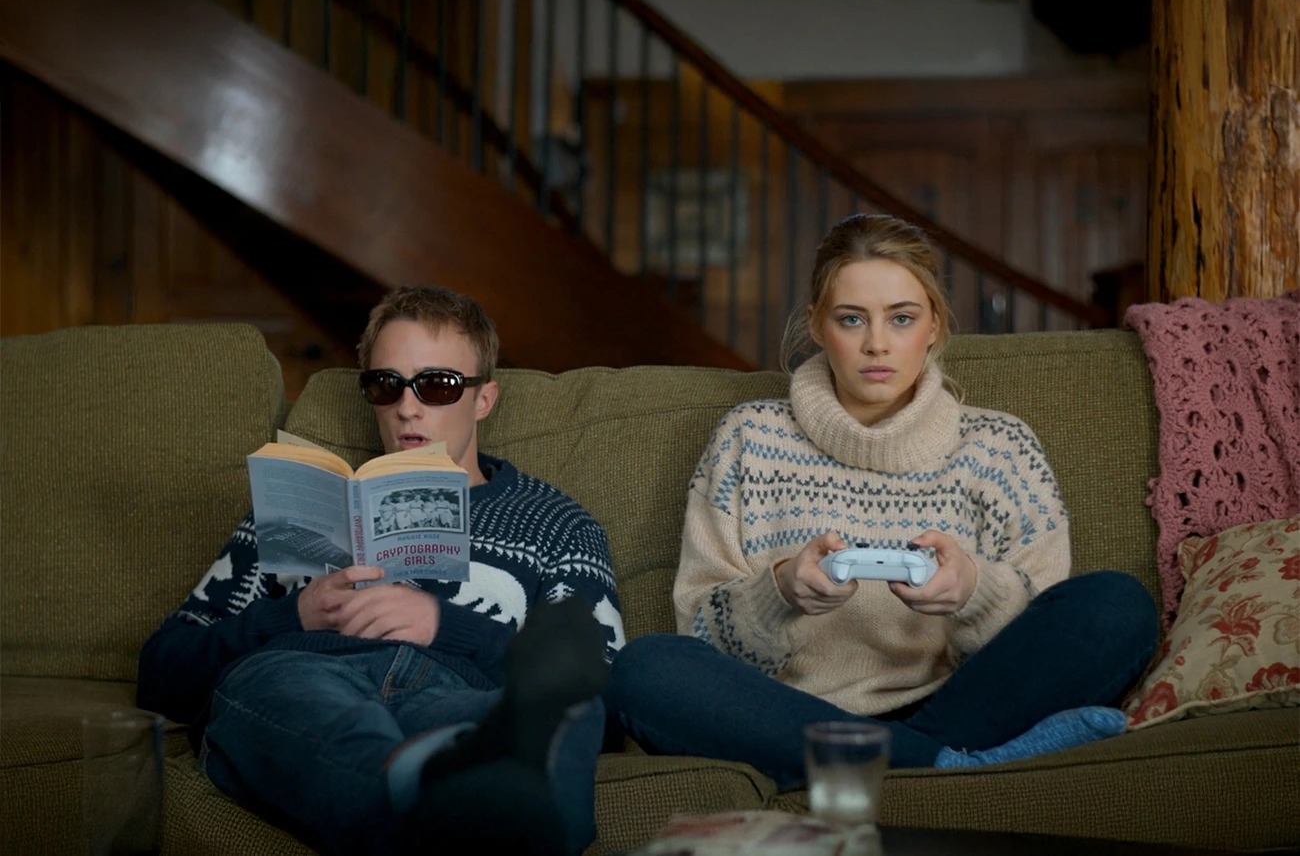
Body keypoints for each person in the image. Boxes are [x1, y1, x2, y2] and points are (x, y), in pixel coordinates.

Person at [606, 214, 1158, 786]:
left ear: (934, 324)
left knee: (1118, 604)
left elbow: (1040, 638)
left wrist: (974, 591)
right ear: (816, 325)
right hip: (785, 717)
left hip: (960, 707)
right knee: (643, 669)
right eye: (851, 319)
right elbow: (699, 631)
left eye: (901, 318)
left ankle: (902, 760)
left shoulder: (1000, 446)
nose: (876, 343)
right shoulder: (748, 437)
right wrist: (780, 591)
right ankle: (946, 768)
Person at [138, 286, 625, 856]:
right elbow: (161, 673)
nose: (407, 408)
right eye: (386, 384)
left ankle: (441, 797)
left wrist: (445, 626)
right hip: (303, 678)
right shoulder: (296, 506)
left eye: (437, 385)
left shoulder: (557, 525)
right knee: (302, 703)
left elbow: (607, 697)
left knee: (557, 716)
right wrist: (295, 615)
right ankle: (429, 808)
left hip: (451, 698)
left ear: (484, 398)